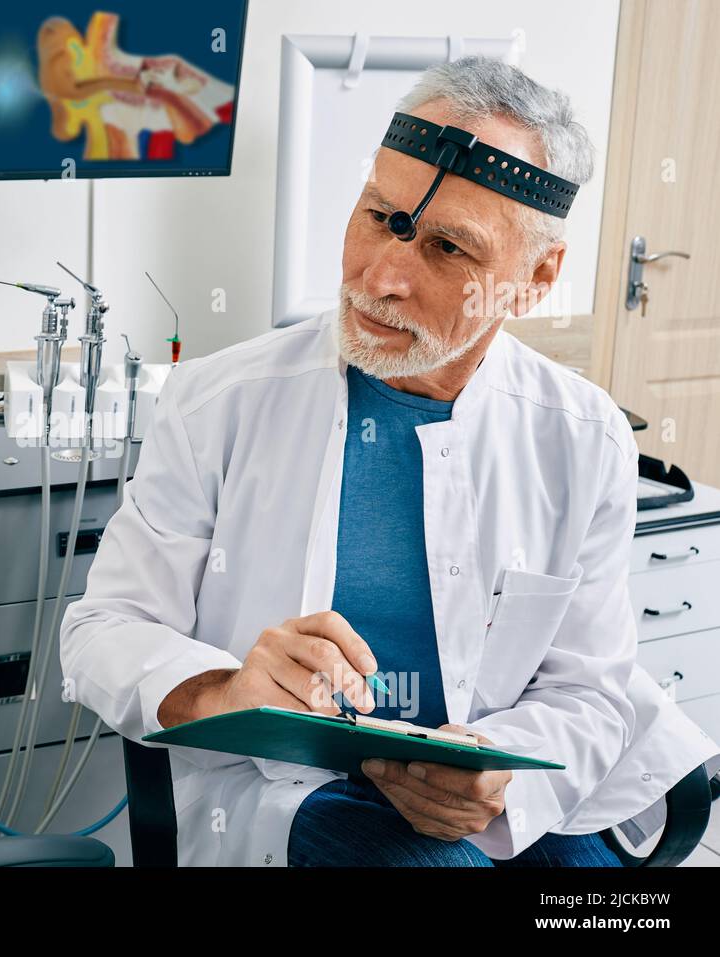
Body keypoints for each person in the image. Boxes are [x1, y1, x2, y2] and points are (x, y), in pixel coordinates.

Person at [60, 57, 650, 866]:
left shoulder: (584, 437)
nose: (382, 277)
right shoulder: (216, 403)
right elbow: (101, 630)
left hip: (497, 791)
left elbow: (590, 691)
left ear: (535, 278)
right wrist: (224, 690)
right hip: (284, 793)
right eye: (381, 216)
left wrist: (494, 778)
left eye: (447, 248)